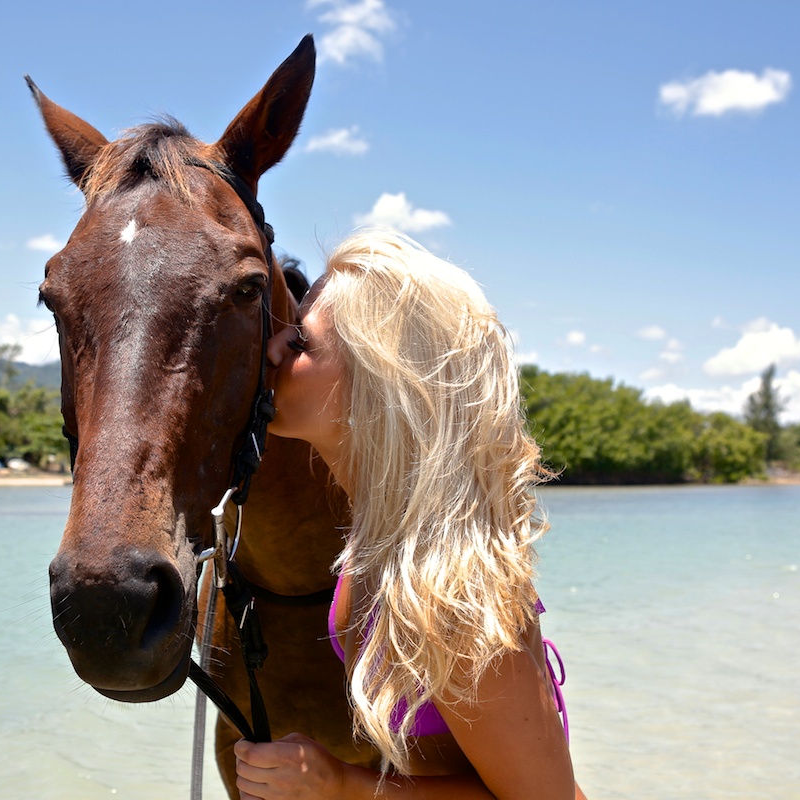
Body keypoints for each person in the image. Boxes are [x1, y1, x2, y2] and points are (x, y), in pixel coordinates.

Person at [234, 229, 584, 799]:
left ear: (379, 379)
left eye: (300, 343)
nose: (272, 351)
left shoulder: (454, 590)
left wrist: (338, 786)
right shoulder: (379, 556)